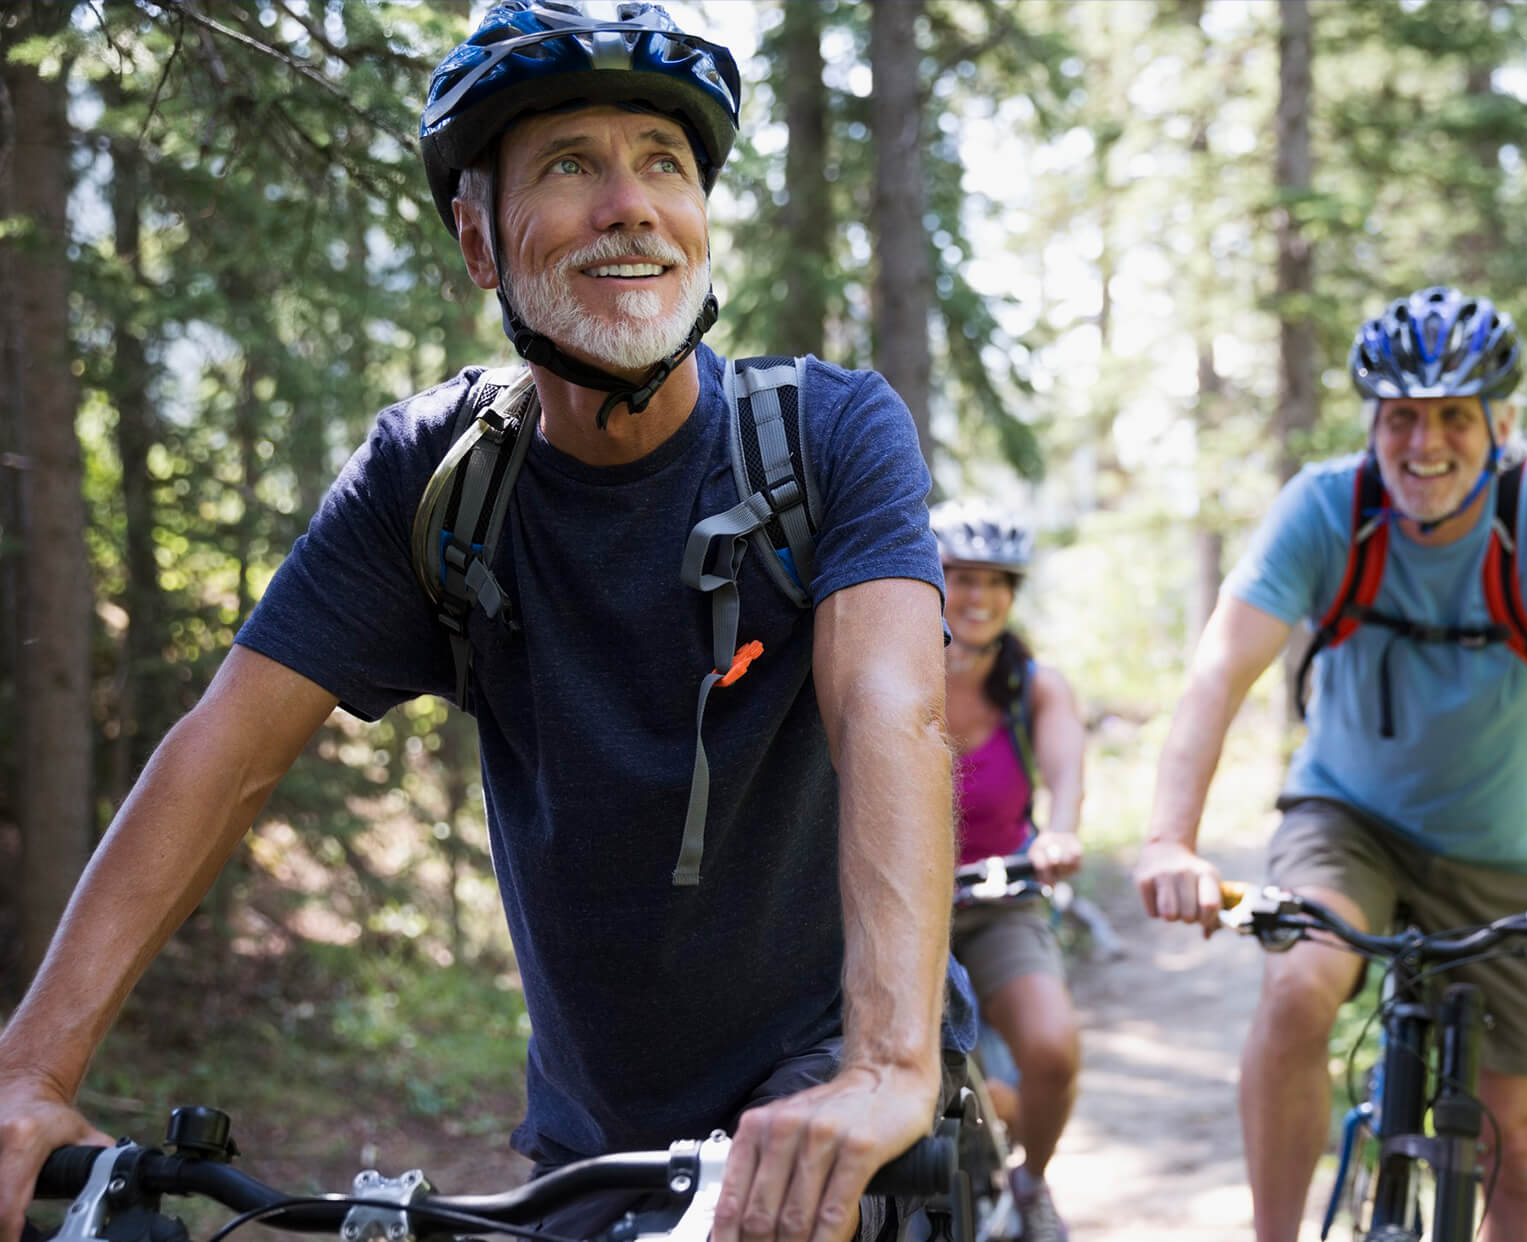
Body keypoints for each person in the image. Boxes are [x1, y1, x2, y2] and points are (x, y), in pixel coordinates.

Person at [0, 6, 967, 1242]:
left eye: (662, 161)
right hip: (587, 1139)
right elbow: (226, 753)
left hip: (833, 1076)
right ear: (477, 239)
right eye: (572, 162)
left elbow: (894, 707)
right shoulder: (436, 479)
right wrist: (32, 1070)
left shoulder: (828, 437)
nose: (631, 203)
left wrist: (887, 1066)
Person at [1132, 286, 1527, 1242]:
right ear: (1372, 422)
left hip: (1506, 849)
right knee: (1298, 987)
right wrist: (1168, 842)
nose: (1424, 443)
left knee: (1514, 1148)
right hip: (1346, 820)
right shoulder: (1329, 506)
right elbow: (1217, 674)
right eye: (1401, 416)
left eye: (1454, 416)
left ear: (1504, 422)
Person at [933, 501, 1084, 1242]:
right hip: (899, 902)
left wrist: (1059, 835)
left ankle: (1030, 1182)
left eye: (997, 582)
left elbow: (1065, 779)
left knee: (1052, 1050)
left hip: (1001, 895)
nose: (978, 597)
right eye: (962, 577)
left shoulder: (1035, 688)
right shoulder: (895, 665)